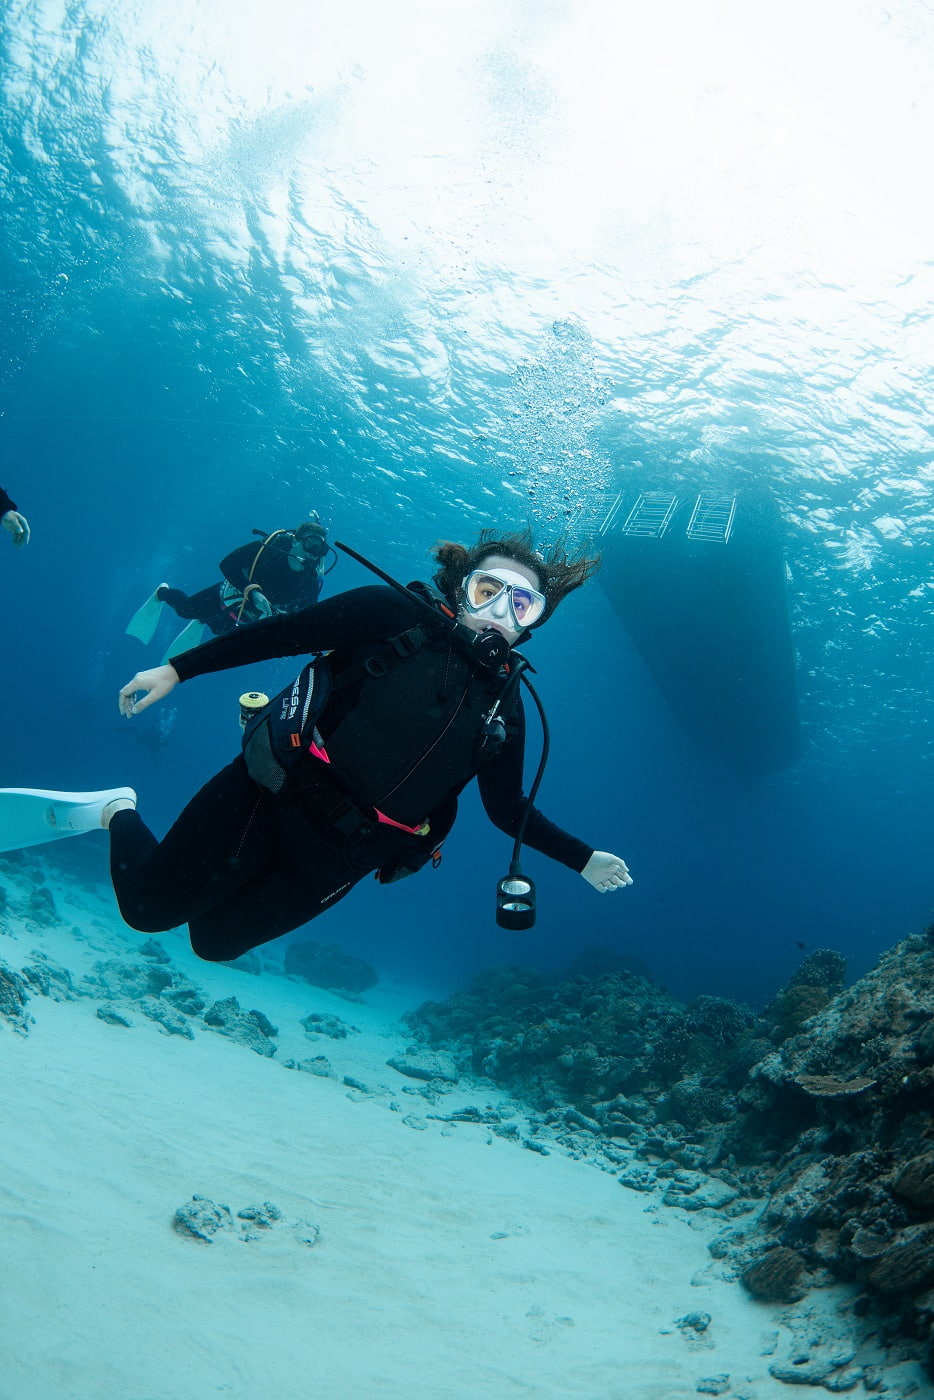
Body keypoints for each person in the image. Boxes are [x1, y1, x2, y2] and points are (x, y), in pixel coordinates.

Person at [4, 529, 632, 964]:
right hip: (272, 792)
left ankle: (189, 870)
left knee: (214, 942)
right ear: (460, 587)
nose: (499, 612)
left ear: (534, 623)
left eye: (521, 604)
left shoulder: (508, 707)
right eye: (486, 592)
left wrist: (582, 859)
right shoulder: (394, 615)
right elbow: (286, 632)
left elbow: (505, 807)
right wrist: (178, 670)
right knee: (148, 909)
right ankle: (118, 808)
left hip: (345, 854)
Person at [126, 519, 333, 650]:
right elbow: (227, 564)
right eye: (310, 544)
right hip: (229, 594)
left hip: (250, 615)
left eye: (320, 549)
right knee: (185, 610)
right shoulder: (270, 550)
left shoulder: (310, 580)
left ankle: (204, 620)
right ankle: (162, 593)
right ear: (295, 540)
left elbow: (307, 611)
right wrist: (252, 591)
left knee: (217, 629)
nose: (313, 553)